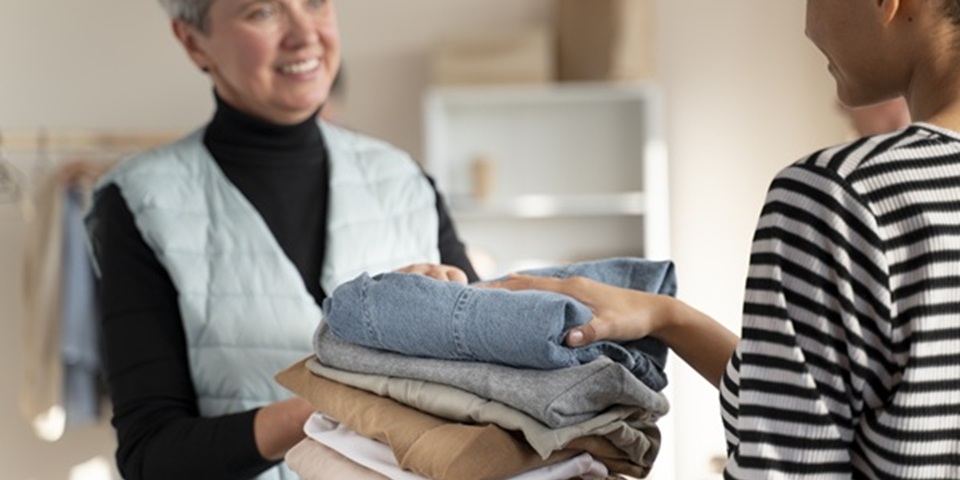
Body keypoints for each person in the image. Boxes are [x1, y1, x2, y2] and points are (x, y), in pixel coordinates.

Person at [489, 0, 960, 478]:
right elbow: (860, 402)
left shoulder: (841, 195)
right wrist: (668, 316)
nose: (805, 23)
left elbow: (784, 463)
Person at [85, 1, 477, 479]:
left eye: (314, 2)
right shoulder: (139, 202)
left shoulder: (405, 181)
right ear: (193, 41)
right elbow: (150, 456)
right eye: (262, 11)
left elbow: (492, 389)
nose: (304, 34)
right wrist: (338, 403)